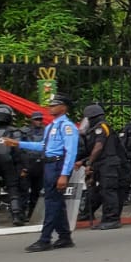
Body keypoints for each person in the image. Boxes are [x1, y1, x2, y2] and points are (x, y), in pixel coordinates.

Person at [7, 93, 79, 251]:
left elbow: (71, 151)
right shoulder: (51, 126)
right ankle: (64, 236)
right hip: (49, 165)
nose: (50, 107)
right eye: (51, 105)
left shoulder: (66, 126)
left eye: (54, 105)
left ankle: (45, 239)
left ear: (64, 108)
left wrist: (64, 175)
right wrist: (18, 144)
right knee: (56, 202)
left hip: (58, 165)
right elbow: (43, 147)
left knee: (51, 202)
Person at [81, 103, 127, 230]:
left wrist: (89, 163)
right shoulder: (94, 129)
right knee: (103, 191)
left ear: (92, 117)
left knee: (109, 191)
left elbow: (99, 146)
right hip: (102, 164)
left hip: (109, 164)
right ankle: (106, 219)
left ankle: (112, 219)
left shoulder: (102, 127)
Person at [0, 105, 27, 227]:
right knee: (13, 189)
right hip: (9, 164)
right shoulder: (14, 132)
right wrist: (21, 166)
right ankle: (16, 214)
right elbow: (19, 151)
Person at [21, 110, 45, 221]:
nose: (39, 121)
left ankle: (32, 213)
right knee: (24, 191)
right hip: (27, 164)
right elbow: (20, 149)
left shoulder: (46, 132)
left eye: (40, 119)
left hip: (41, 165)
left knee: (37, 191)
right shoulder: (25, 132)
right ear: (32, 120)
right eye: (37, 119)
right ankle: (22, 214)